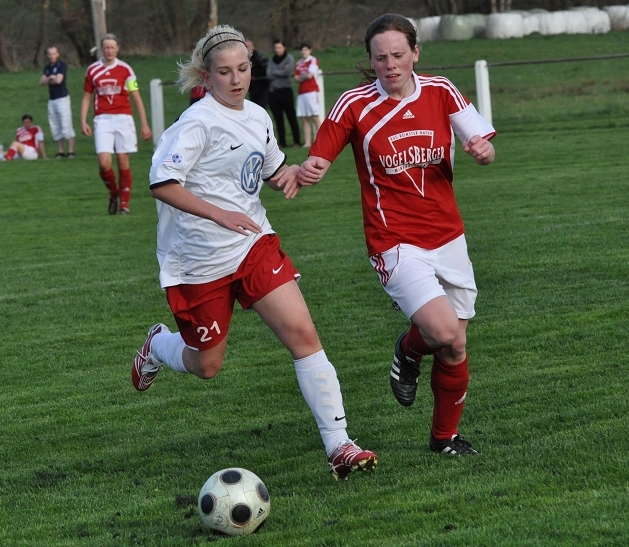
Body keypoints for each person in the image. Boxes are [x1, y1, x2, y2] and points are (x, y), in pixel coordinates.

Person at [132, 24, 377, 481]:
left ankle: (339, 445)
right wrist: (218, 214)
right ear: (207, 76)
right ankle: (158, 345)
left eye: (242, 68)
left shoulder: (258, 116)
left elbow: (269, 172)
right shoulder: (196, 123)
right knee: (207, 365)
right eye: (225, 72)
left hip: (253, 245)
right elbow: (162, 183)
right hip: (200, 260)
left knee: (303, 334)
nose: (236, 79)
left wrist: (295, 174)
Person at [299, 13, 496, 457]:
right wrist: (310, 170)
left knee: (455, 345)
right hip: (395, 241)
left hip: (449, 235)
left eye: (398, 55)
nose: (390, 65)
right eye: (380, 57)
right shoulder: (353, 104)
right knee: (442, 330)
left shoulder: (441, 91)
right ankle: (409, 348)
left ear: (415, 53)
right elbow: (320, 157)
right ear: (370, 60)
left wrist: (483, 151)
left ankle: (444, 439)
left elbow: (484, 145)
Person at [80, 33, 152, 215]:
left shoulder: (126, 70)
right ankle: (114, 192)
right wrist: (83, 120)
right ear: (101, 49)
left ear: (117, 49)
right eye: (106, 47)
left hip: (123, 118)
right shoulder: (92, 70)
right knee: (104, 163)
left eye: (112, 47)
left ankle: (124, 205)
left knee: (122, 161)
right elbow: (87, 96)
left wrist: (144, 124)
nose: (109, 51)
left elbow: (136, 96)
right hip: (102, 119)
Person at [38, 45, 76, 157]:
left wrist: (48, 79)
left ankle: (71, 151)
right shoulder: (47, 67)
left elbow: (58, 80)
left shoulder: (61, 65)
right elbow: (41, 82)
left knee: (66, 124)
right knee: (55, 125)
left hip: (62, 98)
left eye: (54, 54)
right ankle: (60, 151)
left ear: (57, 54)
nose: (52, 56)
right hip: (52, 99)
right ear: (47, 55)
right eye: (50, 54)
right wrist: (50, 78)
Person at [266, 39, 301, 148]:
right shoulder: (271, 60)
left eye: (279, 47)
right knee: (278, 119)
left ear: (284, 48)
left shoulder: (289, 58)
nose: (277, 50)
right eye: (276, 48)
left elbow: (287, 72)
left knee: (291, 116)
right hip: (274, 92)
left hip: (285, 90)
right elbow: (268, 74)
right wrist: (280, 71)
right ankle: (282, 142)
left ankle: (297, 141)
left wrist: (274, 71)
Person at [294, 43, 322, 148]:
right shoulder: (299, 63)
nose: (303, 52)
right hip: (301, 92)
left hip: (311, 91)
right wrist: (303, 77)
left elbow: (310, 75)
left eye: (305, 50)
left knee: (314, 117)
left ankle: (319, 139)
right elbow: (296, 77)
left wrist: (301, 77)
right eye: (302, 50)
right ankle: (307, 142)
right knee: (304, 118)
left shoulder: (313, 60)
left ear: (310, 50)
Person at [245, 39, 269, 108]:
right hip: (252, 87)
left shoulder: (260, 57)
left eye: (248, 46)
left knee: (261, 106)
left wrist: (254, 75)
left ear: (253, 46)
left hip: (263, 86)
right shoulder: (245, 58)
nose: (246, 48)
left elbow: (266, 70)